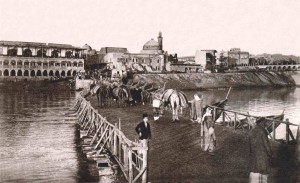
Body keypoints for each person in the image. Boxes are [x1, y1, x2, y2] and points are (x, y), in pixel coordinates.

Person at [248, 117, 272, 183]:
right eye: (264, 123)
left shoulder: (251, 131)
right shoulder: (262, 131)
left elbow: (249, 146)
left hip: (254, 156)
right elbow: (267, 145)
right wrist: (270, 154)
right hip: (263, 156)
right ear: (261, 122)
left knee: (254, 172)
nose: (265, 124)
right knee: (263, 174)